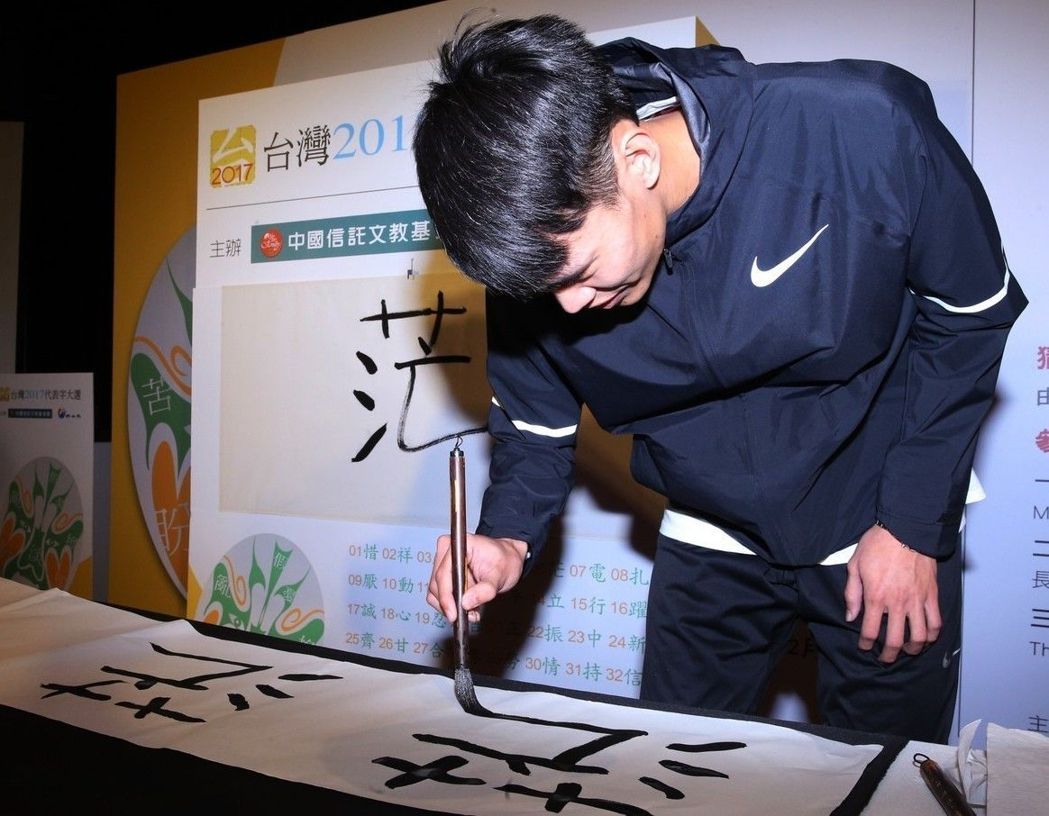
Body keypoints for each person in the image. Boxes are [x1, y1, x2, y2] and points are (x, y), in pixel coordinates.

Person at [413, 13, 1026, 742]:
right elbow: (534, 426)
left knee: (888, 770)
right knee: (673, 762)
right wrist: (506, 536)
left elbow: (969, 317)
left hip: (876, 512)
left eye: (580, 273)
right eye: (543, 289)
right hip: (709, 526)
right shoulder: (538, 255)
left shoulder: (860, 131)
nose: (567, 306)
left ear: (637, 158)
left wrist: (912, 525)